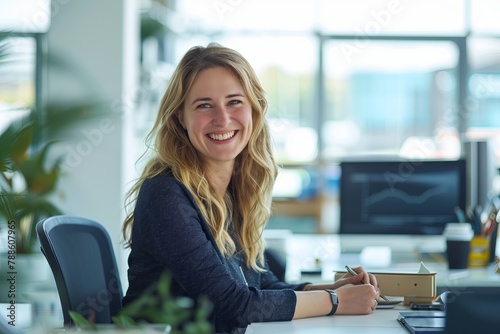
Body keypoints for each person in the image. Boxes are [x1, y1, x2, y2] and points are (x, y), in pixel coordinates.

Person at [121, 43, 381, 333]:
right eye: (204, 105)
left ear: (254, 110)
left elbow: (261, 283)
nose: (222, 119)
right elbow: (231, 307)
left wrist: (331, 289)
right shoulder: (166, 195)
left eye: (234, 102)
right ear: (181, 116)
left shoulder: (229, 192)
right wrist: (335, 301)